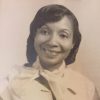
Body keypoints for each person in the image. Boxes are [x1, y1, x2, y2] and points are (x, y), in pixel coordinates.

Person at [0, 4, 99, 100]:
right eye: (44, 32)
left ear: (73, 43)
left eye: (63, 35)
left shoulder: (87, 88)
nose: (52, 42)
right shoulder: (9, 81)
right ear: (34, 36)